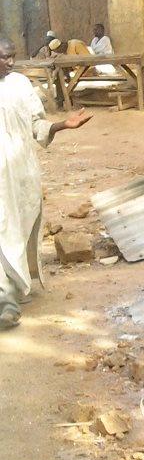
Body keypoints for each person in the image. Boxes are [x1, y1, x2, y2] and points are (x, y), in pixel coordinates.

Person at [0, 37, 91, 329]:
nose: (11, 62)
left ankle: (14, 286)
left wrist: (63, 124)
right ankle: (8, 302)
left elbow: (36, 125)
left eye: (12, 56)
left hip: (21, 173)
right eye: (4, 57)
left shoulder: (20, 86)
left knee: (17, 229)